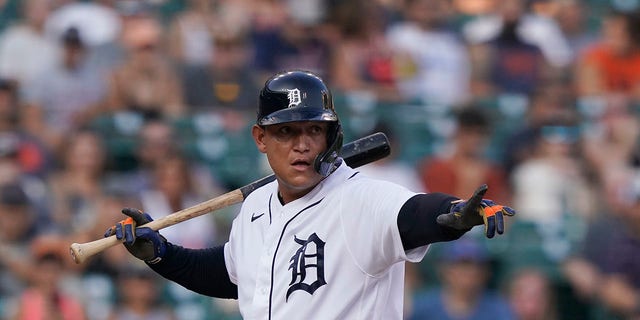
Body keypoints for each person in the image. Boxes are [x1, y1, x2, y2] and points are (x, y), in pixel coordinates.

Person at [103, 70, 516, 319]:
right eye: (286, 132)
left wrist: (456, 213)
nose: (302, 144)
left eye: (313, 130)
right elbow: (231, 276)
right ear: (261, 139)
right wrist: (161, 253)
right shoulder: (256, 208)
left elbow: (414, 213)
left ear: (330, 137)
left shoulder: (359, 199)